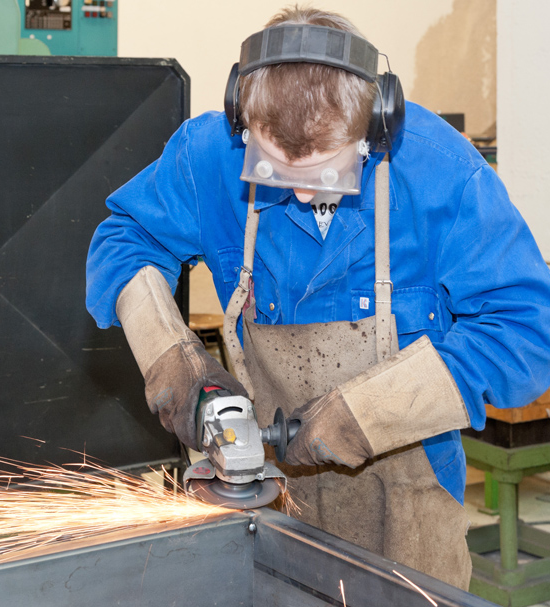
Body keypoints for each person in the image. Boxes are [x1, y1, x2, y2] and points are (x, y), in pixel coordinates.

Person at [86, 6, 550, 589]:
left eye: (328, 171)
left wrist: (372, 411)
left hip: (408, 507)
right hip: (267, 496)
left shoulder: (443, 176)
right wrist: (170, 357)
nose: (304, 193)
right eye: (276, 171)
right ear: (243, 122)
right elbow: (125, 241)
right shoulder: (211, 155)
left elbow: (527, 333)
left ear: (373, 127)